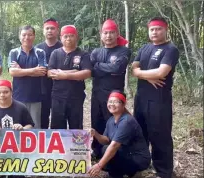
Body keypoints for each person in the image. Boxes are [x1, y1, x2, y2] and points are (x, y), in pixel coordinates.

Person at [132, 17, 179, 178]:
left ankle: (164, 171)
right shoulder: (144, 48)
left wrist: (141, 74)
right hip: (141, 97)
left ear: (165, 30)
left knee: (160, 134)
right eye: (152, 29)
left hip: (159, 99)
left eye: (158, 29)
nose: (154, 32)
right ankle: (142, 163)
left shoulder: (170, 49)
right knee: (140, 131)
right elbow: (134, 68)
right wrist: (146, 76)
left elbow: (161, 72)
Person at [90, 19, 131, 159]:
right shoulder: (96, 51)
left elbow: (118, 68)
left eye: (112, 33)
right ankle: (96, 150)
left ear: (117, 34)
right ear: (101, 35)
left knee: (114, 124)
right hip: (97, 94)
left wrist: (99, 66)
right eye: (105, 33)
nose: (108, 36)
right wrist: (107, 68)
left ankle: (115, 153)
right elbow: (92, 70)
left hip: (114, 96)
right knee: (96, 122)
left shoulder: (123, 50)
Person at [88, 90, 151, 178]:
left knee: (111, 152)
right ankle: (119, 172)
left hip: (138, 158)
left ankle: (132, 172)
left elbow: (114, 145)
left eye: (116, 102)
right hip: (125, 153)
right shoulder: (111, 120)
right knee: (105, 150)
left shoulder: (127, 121)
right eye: (110, 101)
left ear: (123, 104)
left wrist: (99, 165)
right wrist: (96, 134)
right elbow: (106, 140)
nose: (112, 104)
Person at [47, 25, 92, 129]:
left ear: (76, 37)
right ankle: (58, 146)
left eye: (71, 36)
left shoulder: (83, 54)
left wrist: (64, 75)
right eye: (65, 36)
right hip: (58, 96)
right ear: (61, 38)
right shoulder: (56, 53)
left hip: (76, 97)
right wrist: (74, 72)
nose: (68, 39)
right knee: (57, 127)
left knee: (76, 127)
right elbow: (50, 72)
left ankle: (75, 146)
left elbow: (86, 73)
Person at [8, 25, 47, 129]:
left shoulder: (40, 52)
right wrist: (34, 70)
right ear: (19, 36)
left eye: (30, 35)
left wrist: (20, 70)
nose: (27, 37)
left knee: (35, 126)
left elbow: (42, 72)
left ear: (34, 36)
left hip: (36, 96)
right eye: (24, 35)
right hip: (18, 96)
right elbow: (12, 72)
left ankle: (36, 145)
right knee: (18, 126)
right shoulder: (14, 52)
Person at [36, 18, 63, 129]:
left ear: (57, 31)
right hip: (41, 88)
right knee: (42, 117)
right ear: (43, 31)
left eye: (52, 28)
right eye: (47, 28)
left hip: (60, 88)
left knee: (59, 119)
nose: (50, 31)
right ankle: (43, 143)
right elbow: (37, 69)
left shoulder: (63, 47)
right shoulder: (37, 48)